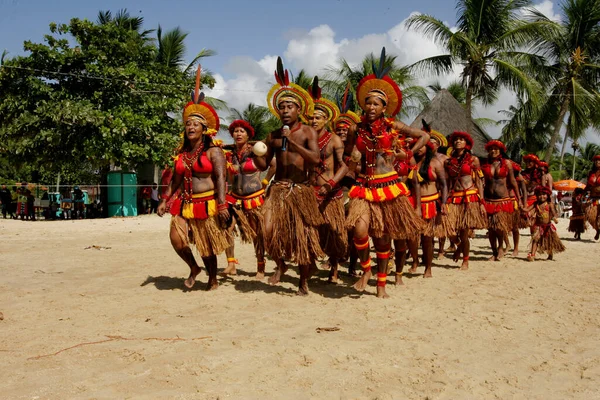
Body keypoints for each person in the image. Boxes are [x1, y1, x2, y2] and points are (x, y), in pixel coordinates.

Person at [344, 48, 429, 298]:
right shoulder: (355, 129)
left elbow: (423, 136)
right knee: (359, 231)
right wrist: (352, 161)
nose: (371, 106)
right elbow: (347, 156)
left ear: (384, 108)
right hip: (364, 186)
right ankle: (366, 270)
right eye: (368, 102)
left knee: (383, 239)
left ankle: (381, 283)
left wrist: (406, 154)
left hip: (389, 187)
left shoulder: (394, 127)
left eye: (376, 103)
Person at [157, 67, 231, 290]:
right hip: (186, 203)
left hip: (207, 202)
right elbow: (175, 181)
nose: (190, 127)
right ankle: (193, 268)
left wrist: (222, 203)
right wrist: (165, 199)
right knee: (176, 238)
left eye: (195, 124)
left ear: (204, 129)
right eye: (188, 124)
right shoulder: (182, 154)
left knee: (206, 246)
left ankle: (212, 278)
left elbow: (220, 178)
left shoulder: (213, 152)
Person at [261, 57, 325, 295]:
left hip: (301, 190)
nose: (285, 111)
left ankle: (303, 282)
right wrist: (256, 155)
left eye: (290, 107)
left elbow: (316, 159)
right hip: (278, 189)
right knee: (266, 231)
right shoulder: (273, 135)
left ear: (300, 109)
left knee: (303, 238)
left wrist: (293, 144)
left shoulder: (308, 132)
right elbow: (264, 163)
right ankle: (280, 265)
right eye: (282, 107)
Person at [308, 76, 348, 284]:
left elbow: (344, 166)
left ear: (326, 120)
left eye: (318, 118)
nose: (314, 121)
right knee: (311, 231)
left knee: (333, 232)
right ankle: (311, 264)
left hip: (331, 194)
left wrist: (330, 184)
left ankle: (334, 269)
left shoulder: (333, 140)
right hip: (310, 193)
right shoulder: (305, 139)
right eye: (311, 118)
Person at [221, 119, 271, 279]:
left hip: (254, 198)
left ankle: (260, 267)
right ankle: (231, 264)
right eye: (235, 131)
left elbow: (274, 164)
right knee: (227, 229)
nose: (238, 134)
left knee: (257, 234)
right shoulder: (229, 154)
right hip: (235, 197)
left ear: (248, 135)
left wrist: (265, 181)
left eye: (242, 131)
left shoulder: (256, 151)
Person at [444, 131, 487, 270]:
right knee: (448, 228)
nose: (458, 141)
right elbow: (448, 182)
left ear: (466, 143)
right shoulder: (448, 161)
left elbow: (479, 182)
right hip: (454, 196)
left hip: (469, 196)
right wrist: (444, 201)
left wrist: (482, 202)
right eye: (456, 140)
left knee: (464, 231)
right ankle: (459, 247)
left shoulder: (473, 160)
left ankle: (465, 261)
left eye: (461, 140)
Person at [410, 140, 450, 278]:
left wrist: (444, 202)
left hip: (430, 203)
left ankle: (428, 268)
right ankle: (415, 261)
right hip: (413, 203)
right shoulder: (410, 162)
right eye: (417, 146)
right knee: (412, 237)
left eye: (423, 146)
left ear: (428, 148)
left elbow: (444, 185)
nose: (419, 149)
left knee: (427, 238)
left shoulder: (435, 163)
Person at [334, 88, 362, 277]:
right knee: (335, 232)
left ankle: (352, 267)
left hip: (354, 195)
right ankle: (334, 269)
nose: (342, 131)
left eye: (345, 129)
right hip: (335, 195)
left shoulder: (358, 150)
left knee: (352, 234)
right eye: (339, 129)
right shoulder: (330, 148)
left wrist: (353, 166)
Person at [481, 140, 521, 261]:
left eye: (496, 149)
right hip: (489, 200)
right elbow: (482, 182)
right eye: (491, 149)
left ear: (500, 150)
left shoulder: (507, 163)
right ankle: (494, 251)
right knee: (490, 229)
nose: (493, 151)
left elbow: (513, 182)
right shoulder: (485, 164)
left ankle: (500, 248)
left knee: (499, 227)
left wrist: (519, 199)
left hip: (502, 200)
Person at [524, 186, 565, 261]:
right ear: (536, 196)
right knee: (535, 239)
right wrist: (523, 208)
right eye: (539, 195)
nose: (541, 196)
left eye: (544, 194)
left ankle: (550, 254)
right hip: (538, 226)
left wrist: (554, 218)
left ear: (547, 195)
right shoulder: (536, 204)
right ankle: (532, 255)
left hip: (548, 226)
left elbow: (553, 213)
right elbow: (527, 209)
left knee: (549, 240)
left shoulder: (549, 204)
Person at [584, 154, 600, 240]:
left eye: (599, 160)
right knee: (589, 216)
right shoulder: (591, 173)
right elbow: (588, 186)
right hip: (593, 197)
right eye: (596, 160)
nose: (598, 162)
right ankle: (598, 230)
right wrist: (583, 192)